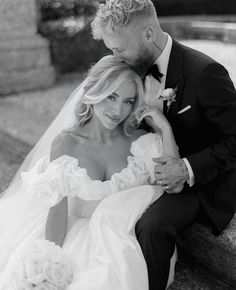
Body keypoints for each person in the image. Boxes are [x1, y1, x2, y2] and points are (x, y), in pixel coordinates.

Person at [0, 55, 179, 289]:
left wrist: (165, 128)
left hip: (120, 238)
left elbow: (174, 184)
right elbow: (57, 212)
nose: (118, 110)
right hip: (70, 231)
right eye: (111, 97)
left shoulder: (141, 143)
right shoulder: (66, 144)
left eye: (128, 101)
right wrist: (49, 260)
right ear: (93, 92)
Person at [91, 0, 236, 289]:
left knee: (152, 226)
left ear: (147, 34)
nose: (114, 56)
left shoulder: (205, 73)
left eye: (119, 49)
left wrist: (185, 168)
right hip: (146, 165)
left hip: (200, 179)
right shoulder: (131, 66)